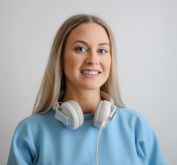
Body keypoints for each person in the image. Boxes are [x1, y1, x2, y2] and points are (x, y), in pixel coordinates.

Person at [7, 14, 166, 165]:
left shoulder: (136, 126)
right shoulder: (30, 132)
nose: (93, 60)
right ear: (60, 59)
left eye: (102, 50)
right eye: (80, 49)